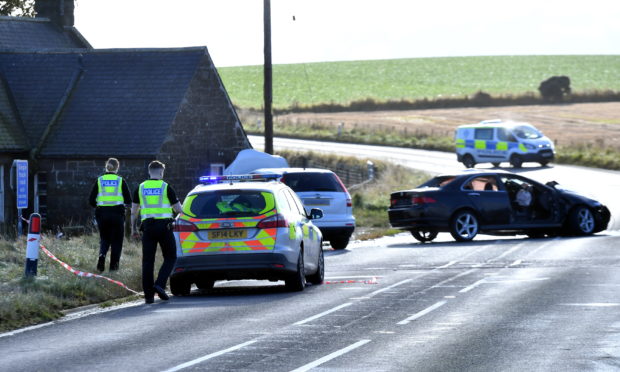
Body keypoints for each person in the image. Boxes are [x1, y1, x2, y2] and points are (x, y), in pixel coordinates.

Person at [130, 160, 183, 304]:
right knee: (171, 256)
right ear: (161, 172)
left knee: (147, 261)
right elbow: (179, 210)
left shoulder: (140, 188)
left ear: (149, 171)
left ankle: (148, 296)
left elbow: (133, 212)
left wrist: (133, 229)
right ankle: (159, 284)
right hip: (164, 227)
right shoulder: (166, 187)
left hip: (147, 227)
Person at [89, 158, 132, 272]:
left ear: (106, 167)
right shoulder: (120, 180)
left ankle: (102, 255)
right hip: (117, 214)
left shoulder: (100, 180)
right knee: (117, 242)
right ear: (117, 168)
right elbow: (128, 199)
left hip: (102, 214)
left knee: (104, 238)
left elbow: (91, 200)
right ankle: (113, 269)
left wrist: (98, 205)